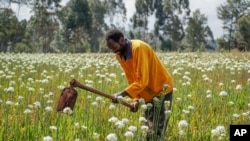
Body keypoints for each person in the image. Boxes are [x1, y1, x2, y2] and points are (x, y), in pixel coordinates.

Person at [105, 29, 174, 141]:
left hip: (161, 89)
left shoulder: (138, 48)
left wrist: (122, 94)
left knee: (156, 131)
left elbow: (142, 80)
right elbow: (131, 79)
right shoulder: (119, 55)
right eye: (111, 49)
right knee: (146, 130)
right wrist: (136, 99)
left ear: (121, 40)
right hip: (146, 93)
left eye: (114, 47)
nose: (113, 51)